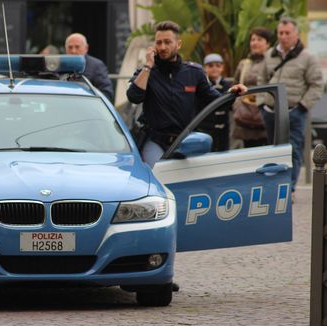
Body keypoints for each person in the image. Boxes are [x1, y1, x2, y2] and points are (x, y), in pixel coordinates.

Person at [126, 20, 247, 167]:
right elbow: (133, 96)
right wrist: (148, 66)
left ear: (178, 44)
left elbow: (216, 102)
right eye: (159, 43)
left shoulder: (194, 72)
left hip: (187, 141)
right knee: (159, 176)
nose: (163, 47)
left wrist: (232, 92)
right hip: (155, 141)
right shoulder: (147, 71)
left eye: (167, 42)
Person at [258, 16, 323, 199]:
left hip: (295, 112)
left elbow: (317, 84)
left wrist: (303, 106)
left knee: (293, 150)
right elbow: (261, 80)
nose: (284, 36)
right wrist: (262, 103)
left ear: (296, 34)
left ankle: (290, 189)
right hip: (271, 112)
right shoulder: (269, 54)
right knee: (273, 150)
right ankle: (275, 188)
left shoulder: (307, 57)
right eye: (281, 33)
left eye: (288, 33)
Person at [232, 27, 272, 148]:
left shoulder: (273, 63)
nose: (255, 43)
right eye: (252, 39)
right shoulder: (244, 64)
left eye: (259, 39)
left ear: (268, 44)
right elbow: (234, 84)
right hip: (245, 119)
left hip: (265, 116)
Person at [197, 53, 233, 152]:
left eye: (218, 65)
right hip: (206, 127)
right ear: (205, 68)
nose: (214, 69)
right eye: (210, 66)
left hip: (223, 127)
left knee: (223, 151)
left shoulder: (227, 85)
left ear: (222, 67)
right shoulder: (202, 85)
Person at [65, 33, 114, 102]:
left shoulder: (96, 66)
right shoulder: (60, 66)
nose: (73, 51)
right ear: (65, 49)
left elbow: (106, 93)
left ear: (86, 48)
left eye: (77, 47)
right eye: (70, 47)